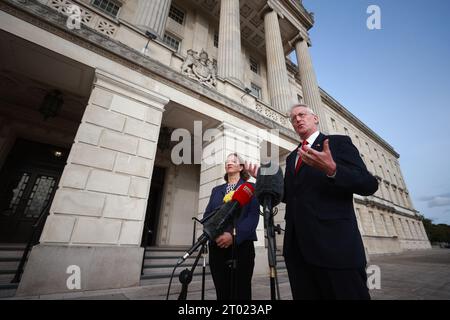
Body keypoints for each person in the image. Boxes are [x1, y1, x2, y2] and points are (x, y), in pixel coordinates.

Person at [245, 104, 378, 299]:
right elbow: (289, 196)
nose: (297, 119)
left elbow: (369, 184)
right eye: (293, 118)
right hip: (299, 252)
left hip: (335, 249)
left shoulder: (337, 143)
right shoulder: (292, 158)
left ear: (315, 118)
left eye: (301, 115)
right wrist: (265, 181)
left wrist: (333, 169)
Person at [203, 153, 260, 300]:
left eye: (233, 161)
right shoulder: (216, 191)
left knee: (241, 293)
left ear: (241, 167)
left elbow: (252, 217)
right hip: (217, 248)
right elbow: (207, 215)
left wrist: (234, 236)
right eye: (227, 161)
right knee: (222, 293)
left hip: (241, 248)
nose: (229, 163)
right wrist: (214, 235)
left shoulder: (250, 187)